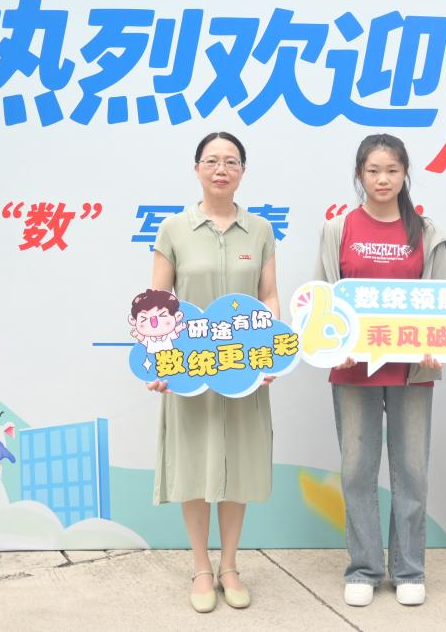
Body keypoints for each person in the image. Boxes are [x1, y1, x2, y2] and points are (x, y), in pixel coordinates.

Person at [312, 134, 446, 609]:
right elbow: (322, 299)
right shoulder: (339, 228)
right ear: (360, 175)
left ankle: (409, 570)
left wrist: (437, 345)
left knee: (411, 471)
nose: (383, 179)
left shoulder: (426, 231)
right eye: (373, 171)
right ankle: (364, 569)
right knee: (357, 471)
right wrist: (333, 344)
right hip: (354, 371)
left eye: (392, 170)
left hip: (412, 371)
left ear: (405, 173)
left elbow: (442, 302)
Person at [146, 132, 279, 613]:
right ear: (197, 167)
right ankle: (201, 567)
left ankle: (230, 565)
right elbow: (158, 303)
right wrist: (160, 360)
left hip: (243, 372)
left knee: (237, 464)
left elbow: (268, 296)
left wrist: (268, 354)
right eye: (212, 160)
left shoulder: (260, 230)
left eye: (231, 161)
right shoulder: (173, 230)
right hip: (190, 372)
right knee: (195, 465)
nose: (222, 169)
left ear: (243, 170)